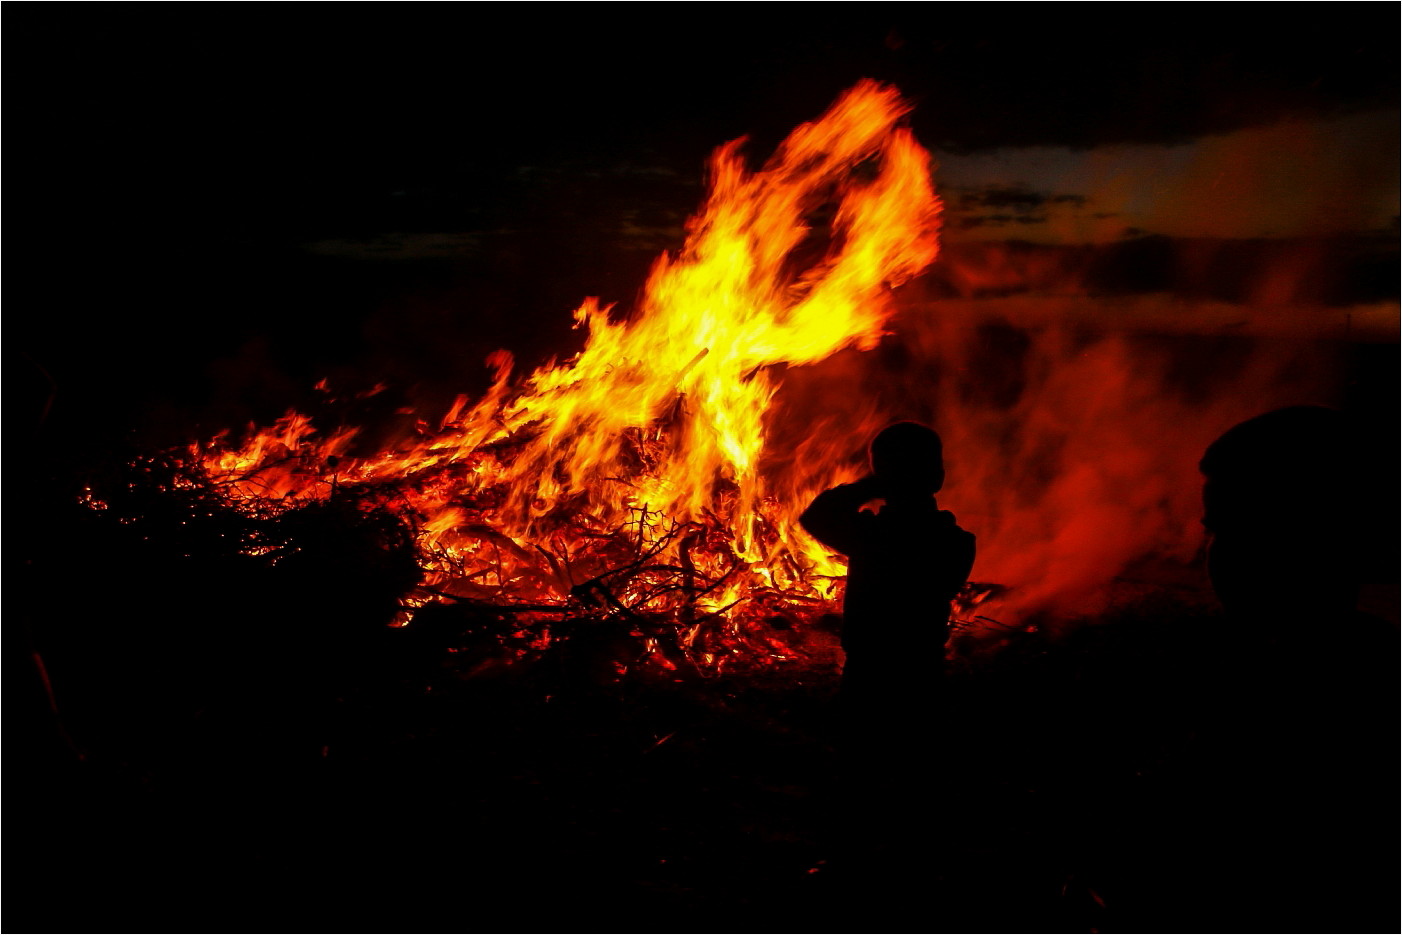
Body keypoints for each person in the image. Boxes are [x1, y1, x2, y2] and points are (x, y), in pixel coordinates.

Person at [800, 421, 975, 721]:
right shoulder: (958, 542)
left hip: (868, 676)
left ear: (883, 477)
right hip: (924, 676)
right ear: (939, 478)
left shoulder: (872, 536)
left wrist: (870, 485)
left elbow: (816, 516)